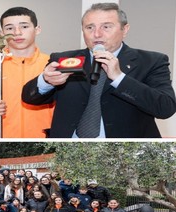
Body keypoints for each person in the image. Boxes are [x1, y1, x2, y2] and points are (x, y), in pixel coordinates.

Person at [22, 2, 176, 138]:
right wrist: (46, 81)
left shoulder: (151, 61)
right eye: (90, 27)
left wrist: (119, 78)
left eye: (106, 27)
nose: (97, 34)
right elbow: (29, 97)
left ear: (125, 29)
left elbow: (165, 108)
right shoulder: (64, 59)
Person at [0, 6, 53, 138]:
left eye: (24, 26)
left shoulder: (51, 65)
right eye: (10, 28)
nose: (17, 32)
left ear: (37, 29)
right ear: (2, 33)